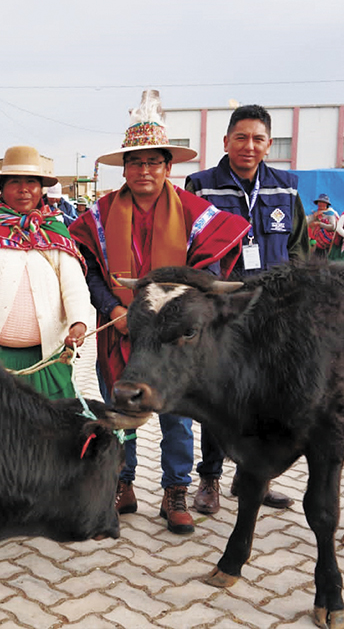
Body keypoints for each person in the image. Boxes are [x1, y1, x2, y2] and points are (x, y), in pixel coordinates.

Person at [70, 90, 251, 535]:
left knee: (177, 414)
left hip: (174, 337)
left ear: (169, 167)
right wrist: (111, 305)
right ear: (124, 168)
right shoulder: (99, 213)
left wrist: (183, 311)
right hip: (120, 327)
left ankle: (175, 490)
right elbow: (87, 267)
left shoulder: (195, 212)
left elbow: (210, 269)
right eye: (136, 163)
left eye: (154, 162)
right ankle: (121, 483)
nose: (144, 171)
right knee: (120, 407)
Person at [185, 104, 305, 514]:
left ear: (269, 144)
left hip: (273, 315)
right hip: (224, 315)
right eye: (241, 137)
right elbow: (192, 249)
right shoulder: (200, 186)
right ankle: (209, 480)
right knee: (219, 400)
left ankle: (255, 477)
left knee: (267, 401)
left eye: (257, 139)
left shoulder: (287, 188)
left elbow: (298, 249)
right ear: (226, 142)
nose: (248, 146)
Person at [0, 146, 99, 401]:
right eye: (15, 182)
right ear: (1, 188)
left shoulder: (54, 230)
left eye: (31, 182)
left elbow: (74, 285)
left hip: (46, 358)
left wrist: (79, 321)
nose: (24, 189)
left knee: (49, 433)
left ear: (41, 189)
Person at [307, 194, 339, 259]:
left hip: (328, 241)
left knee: (325, 258)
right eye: (319, 202)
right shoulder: (316, 213)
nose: (321, 204)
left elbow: (332, 227)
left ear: (326, 204)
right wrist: (314, 217)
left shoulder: (330, 214)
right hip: (317, 241)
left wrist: (320, 224)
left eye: (323, 203)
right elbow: (307, 222)